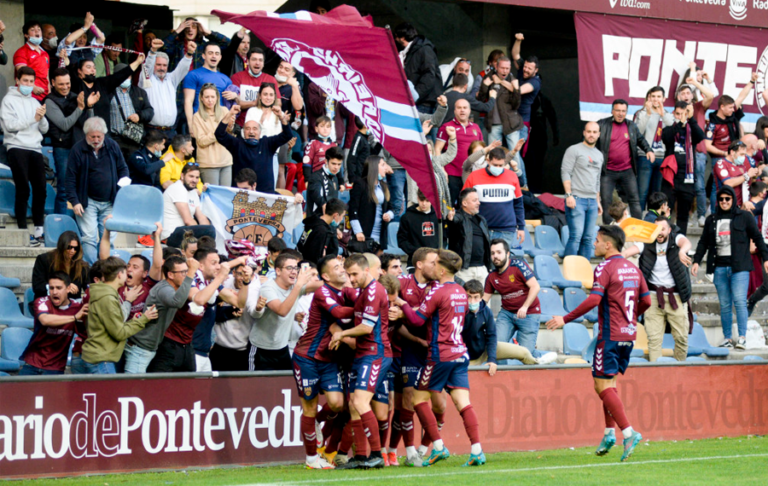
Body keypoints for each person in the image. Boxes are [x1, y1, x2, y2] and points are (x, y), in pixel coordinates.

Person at [546, 225, 650, 462]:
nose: (594, 244)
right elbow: (646, 301)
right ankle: (609, 433)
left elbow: (594, 300)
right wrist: (630, 318)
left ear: (608, 244)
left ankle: (628, 432)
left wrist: (565, 317)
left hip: (610, 334)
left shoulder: (604, 267)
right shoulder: (634, 269)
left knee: (603, 386)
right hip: (628, 334)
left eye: (597, 240)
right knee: (606, 384)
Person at [395, 249, 486, 467]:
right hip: (460, 353)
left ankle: (438, 447)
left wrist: (402, 305)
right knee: (463, 403)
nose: (433, 267)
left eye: (436, 264)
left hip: (440, 355)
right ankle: (477, 451)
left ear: (442, 269)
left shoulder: (438, 292)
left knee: (418, 400)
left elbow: (417, 321)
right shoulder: (461, 291)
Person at [329, 254, 393, 470]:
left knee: (360, 402)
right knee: (354, 405)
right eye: (348, 274)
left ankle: (376, 454)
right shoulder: (363, 292)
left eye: (355, 273)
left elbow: (366, 328)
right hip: (363, 354)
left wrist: (341, 334)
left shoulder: (374, 291)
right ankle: (361, 456)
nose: (351, 278)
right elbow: (347, 293)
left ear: (367, 271)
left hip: (375, 353)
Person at [293, 255, 357, 470]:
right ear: (326, 276)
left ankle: (316, 425)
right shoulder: (323, 292)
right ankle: (312, 458)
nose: (342, 269)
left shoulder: (345, 292)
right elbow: (339, 313)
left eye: (342, 266)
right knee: (309, 408)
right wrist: (368, 308)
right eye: (336, 267)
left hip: (329, 359)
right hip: (307, 357)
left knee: (338, 404)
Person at [692, 185, 768, 349]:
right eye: (721, 199)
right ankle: (727, 338)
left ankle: (742, 337)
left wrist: (766, 258)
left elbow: (757, 238)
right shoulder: (711, 220)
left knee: (740, 302)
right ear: (717, 201)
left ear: (733, 199)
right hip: (719, 267)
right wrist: (696, 261)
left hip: (739, 268)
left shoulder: (744, 217)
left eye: (727, 198)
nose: (724, 202)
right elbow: (703, 242)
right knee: (725, 304)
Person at [149, 249, 247, 372]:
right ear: (200, 265)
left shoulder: (210, 282)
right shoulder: (189, 279)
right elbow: (199, 299)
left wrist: (246, 282)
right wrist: (221, 276)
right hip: (174, 344)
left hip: (193, 347)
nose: (218, 267)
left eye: (219, 263)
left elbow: (239, 302)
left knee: (197, 389)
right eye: (214, 263)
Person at [64, 117, 129, 263]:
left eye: (99, 136)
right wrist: (75, 201)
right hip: (87, 202)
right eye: (92, 136)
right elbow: (70, 179)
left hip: (110, 201)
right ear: (86, 135)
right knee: (88, 238)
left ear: (104, 134)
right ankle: (92, 270)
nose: (96, 139)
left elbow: (123, 169)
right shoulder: (77, 149)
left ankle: (106, 269)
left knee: (109, 236)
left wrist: (122, 190)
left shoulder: (112, 146)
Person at [81, 256, 159, 374]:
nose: (128, 272)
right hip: (102, 360)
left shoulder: (105, 293)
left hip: (100, 357)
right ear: (119, 275)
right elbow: (119, 333)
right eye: (125, 270)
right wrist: (144, 318)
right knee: (109, 393)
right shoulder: (107, 298)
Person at [0, 66, 49, 246]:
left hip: (35, 148)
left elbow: (45, 129)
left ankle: (39, 230)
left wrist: (41, 118)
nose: (28, 84)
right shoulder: (8, 100)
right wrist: (33, 120)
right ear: (18, 81)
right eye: (25, 81)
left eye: (31, 81)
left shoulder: (35, 102)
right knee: (23, 188)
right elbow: (10, 126)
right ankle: (22, 231)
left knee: (41, 189)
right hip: (16, 146)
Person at [123, 256, 197, 373]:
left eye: (186, 271)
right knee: (132, 388)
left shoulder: (173, 287)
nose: (186, 275)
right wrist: (191, 273)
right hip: (139, 349)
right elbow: (177, 302)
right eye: (182, 272)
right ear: (171, 275)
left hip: (147, 348)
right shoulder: (164, 289)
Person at [633, 218, 693, 362]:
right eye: (656, 229)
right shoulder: (646, 242)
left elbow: (686, 243)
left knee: (681, 339)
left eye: (663, 229)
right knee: (654, 340)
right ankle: (656, 376)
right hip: (654, 297)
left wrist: (682, 252)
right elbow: (631, 251)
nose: (659, 232)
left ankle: (679, 373)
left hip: (676, 297)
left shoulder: (676, 238)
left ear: (669, 230)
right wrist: (619, 257)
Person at [464, 279, 549, 371]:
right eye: (469, 297)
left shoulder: (486, 311)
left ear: (481, 297)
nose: (472, 301)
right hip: (467, 357)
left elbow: (492, 336)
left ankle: (538, 362)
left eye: (475, 297)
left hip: (484, 350)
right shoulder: (459, 312)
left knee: (523, 352)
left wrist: (492, 359)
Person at [249, 252, 315, 371]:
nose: (294, 272)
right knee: (258, 387)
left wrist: (334, 278)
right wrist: (298, 285)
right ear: (278, 271)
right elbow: (282, 311)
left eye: (296, 268)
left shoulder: (295, 286)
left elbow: (317, 286)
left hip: (282, 348)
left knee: (287, 385)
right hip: (261, 349)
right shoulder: (268, 287)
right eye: (289, 268)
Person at [483, 239, 545, 357]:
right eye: (492, 253)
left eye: (499, 252)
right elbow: (483, 301)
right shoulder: (491, 276)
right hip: (507, 314)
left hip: (529, 313)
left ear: (507, 254)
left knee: (526, 354)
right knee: (495, 347)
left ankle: (543, 359)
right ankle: (501, 373)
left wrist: (525, 307)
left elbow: (535, 287)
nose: (495, 256)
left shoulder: (518, 265)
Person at [45, 68, 94, 215]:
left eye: (68, 83)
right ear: (53, 83)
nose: (65, 87)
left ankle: (75, 227)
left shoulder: (75, 96)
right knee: (64, 190)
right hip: (62, 149)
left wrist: (89, 107)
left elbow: (89, 122)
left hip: (79, 147)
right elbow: (65, 124)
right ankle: (61, 227)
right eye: (61, 84)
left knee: (80, 188)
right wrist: (80, 107)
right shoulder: (49, 101)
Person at [597, 99, 655, 222]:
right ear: (612, 111)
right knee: (607, 201)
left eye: (623, 111)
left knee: (634, 199)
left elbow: (641, 140)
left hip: (627, 171)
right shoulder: (602, 124)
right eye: (617, 110)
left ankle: (637, 228)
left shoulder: (631, 126)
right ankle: (608, 230)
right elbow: (589, 139)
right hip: (607, 171)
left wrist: (648, 150)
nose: (620, 113)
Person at [19, 273, 88, 375]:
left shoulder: (77, 308)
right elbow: (45, 320)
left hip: (55, 367)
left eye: (59, 288)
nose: (54, 292)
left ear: (68, 289)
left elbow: (85, 333)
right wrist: (74, 317)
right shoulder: (42, 302)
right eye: (51, 288)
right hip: (32, 363)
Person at [216, 105, 293, 193]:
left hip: (265, 194)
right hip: (242, 194)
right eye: (247, 129)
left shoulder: (267, 143)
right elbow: (219, 134)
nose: (251, 131)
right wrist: (230, 114)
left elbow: (288, 135)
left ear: (260, 132)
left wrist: (281, 117)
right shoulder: (237, 144)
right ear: (243, 132)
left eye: (254, 129)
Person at [463, 147, 526, 253]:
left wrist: (521, 227)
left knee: (501, 263)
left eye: (501, 165)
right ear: (488, 161)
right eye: (495, 165)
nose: (498, 167)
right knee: (482, 263)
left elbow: (518, 204)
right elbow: (464, 201)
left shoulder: (512, 176)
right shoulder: (474, 176)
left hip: (506, 229)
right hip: (481, 228)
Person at [477, 56, 528, 185]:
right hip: (493, 123)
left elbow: (516, 104)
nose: (505, 71)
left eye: (507, 68)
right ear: (496, 67)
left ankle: (521, 184)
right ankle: (496, 182)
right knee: (494, 154)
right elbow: (481, 100)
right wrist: (485, 85)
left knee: (515, 155)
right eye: (502, 68)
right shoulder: (488, 77)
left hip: (511, 124)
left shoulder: (513, 80)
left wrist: (516, 90)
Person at [100, 218, 164, 318]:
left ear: (144, 273)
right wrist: (106, 230)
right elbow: (104, 260)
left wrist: (156, 237)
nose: (129, 269)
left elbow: (157, 266)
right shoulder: (118, 284)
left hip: (141, 331)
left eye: (135, 267)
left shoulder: (148, 286)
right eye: (128, 266)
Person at [660, 101, 706, 235]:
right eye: (679, 114)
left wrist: (691, 119)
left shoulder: (692, 129)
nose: (681, 116)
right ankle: (665, 241)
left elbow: (700, 136)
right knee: (665, 212)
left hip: (687, 177)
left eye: (684, 114)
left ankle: (681, 243)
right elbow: (666, 138)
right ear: (674, 113)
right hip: (671, 177)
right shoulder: (669, 128)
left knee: (683, 215)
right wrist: (681, 123)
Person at [70, 54, 146, 135]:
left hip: (104, 135)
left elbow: (120, 75)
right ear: (79, 71)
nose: (93, 70)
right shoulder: (75, 86)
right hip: (83, 135)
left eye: (94, 68)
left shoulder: (102, 84)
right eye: (89, 67)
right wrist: (88, 105)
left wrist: (138, 62)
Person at [675, 71, 714, 227]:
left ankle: (701, 215)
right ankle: (684, 215)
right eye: (682, 93)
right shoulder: (676, 111)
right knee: (681, 186)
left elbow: (710, 96)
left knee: (698, 185)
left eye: (688, 93)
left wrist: (696, 83)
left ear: (692, 96)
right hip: (680, 152)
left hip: (697, 151)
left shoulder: (698, 107)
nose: (685, 95)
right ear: (678, 97)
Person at [562, 121, 604, 257]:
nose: (591, 135)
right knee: (576, 236)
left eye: (594, 132)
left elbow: (597, 180)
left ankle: (583, 273)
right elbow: (565, 172)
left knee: (588, 238)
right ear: (584, 133)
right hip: (576, 198)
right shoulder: (574, 149)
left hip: (592, 201)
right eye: (589, 132)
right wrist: (569, 195)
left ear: (599, 134)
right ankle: (569, 272)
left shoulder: (599, 155)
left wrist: (598, 201)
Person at [143, 37, 195, 139]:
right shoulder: (147, 79)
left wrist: (189, 54)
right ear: (154, 64)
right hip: (152, 131)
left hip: (170, 132)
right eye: (158, 65)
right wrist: (153, 51)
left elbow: (182, 68)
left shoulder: (171, 79)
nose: (162, 68)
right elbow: (147, 66)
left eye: (164, 65)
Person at [435, 99, 484, 204]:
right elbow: (437, 149)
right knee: (449, 205)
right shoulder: (446, 127)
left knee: (469, 206)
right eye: (459, 108)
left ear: (470, 111)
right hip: (451, 173)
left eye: (465, 108)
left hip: (470, 174)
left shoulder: (476, 128)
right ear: (454, 111)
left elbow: (481, 151)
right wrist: (442, 170)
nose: (462, 110)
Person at [210, 262, 257, 371]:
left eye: (247, 275)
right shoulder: (223, 284)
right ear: (234, 273)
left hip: (242, 351)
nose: (242, 278)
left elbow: (257, 314)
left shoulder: (255, 290)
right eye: (240, 274)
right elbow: (212, 312)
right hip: (219, 348)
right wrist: (228, 312)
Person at [635, 86, 675, 210]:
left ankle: (652, 219)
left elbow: (672, 126)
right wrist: (647, 114)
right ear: (649, 98)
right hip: (645, 156)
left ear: (664, 98)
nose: (656, 99)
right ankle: (639, 219)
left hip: (661, 157)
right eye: (653, 96)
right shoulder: (641, 113)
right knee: (642, 191)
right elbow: (638, 132)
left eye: (659, 96)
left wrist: (662, 114)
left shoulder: (667, 114)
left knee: (656, 192)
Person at [161, 163, 216, 248]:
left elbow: (201, 217)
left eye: (197, 177)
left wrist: (206, 234)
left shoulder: (193, 192)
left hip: (185, 233)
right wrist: (204, 233)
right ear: (182, 176)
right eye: (191, 176)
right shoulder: (177, 188)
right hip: (170, 235)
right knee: (209, 231)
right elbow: (188, 220)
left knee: (210, 229)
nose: (194, 180)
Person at [183, 43, 232, 138]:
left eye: (217, 53)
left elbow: (230, 103)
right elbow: (188, 101)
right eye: (210, 53)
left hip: (220, 122)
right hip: (201, 121)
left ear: (220, 57)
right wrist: (190, 124)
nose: (214, 56)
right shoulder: (193, 75)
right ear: (203, 56)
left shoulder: (226, 79)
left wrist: (235, 96)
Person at [109, 63, 155, 158]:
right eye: (123, 75)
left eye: (128, 75)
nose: (126, 78)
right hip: (115, 139)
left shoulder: (139, 92)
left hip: (134, 139)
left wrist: (139, 116)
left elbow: (150, 111)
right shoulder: (108, 92)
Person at [392, 23, 441, 113]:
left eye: (396, 36)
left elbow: (429, 75)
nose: (394, 39)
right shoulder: (410, 51)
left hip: (424, 104)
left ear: (402, 37)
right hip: (416, 103)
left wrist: (415, 96)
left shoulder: (424, 49)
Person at [192, 84, 234, 186]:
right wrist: (220, 132)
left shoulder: (224, 110)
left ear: (217, 98)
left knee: (225, 195)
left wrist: (230, 126)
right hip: (208, 163)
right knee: (213, 196)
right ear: (201, 98)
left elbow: (229, 134)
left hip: (226, 160)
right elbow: (202, 141)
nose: (210, 100)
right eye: (207, 97)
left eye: (212, 97)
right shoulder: (197, 117)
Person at [31, 231, 90, 303]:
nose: (72, 251)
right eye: (69, 247)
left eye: (75, 248)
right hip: (48, 302)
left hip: (72, 305)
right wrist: (64, 287)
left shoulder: (82, 266)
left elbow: (89, 288)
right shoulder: (44, 260)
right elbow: (38, 286)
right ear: (62, 246)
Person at [447, 188, 491, 283]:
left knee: (483, 298)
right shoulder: (459, 217)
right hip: (464, 270)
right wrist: (450, 219)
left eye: (478, 200)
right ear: (464, 203)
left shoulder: (481, 220)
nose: (478, 203)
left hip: (482, 268)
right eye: (474, 200)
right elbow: (454, 221)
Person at [349, 156, 393, 250]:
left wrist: (389, 215)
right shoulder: (360, 184)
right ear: (374, 167)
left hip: (380, 237)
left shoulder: (384, 186)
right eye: (383, 165)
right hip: (364, 236)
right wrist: (358, 231)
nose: (386, 167)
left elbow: (391, 208)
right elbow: (353, 209)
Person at [230, 47, 278, 128]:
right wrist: (255, 103)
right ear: (248, 61)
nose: (257, 63)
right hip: (241, 125)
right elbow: (235, 104)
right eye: (254, 59)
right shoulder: (236, 77)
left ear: (263, 63)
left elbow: (278, 103)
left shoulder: (271, 79)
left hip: (264, 126)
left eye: (260, 60)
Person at [297, 198, 347, 267]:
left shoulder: (314, 221)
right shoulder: (321, 231)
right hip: (309, 267)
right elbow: (314, 258)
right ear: (336, 215)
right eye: (342, 216)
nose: (342, 219)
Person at [398, 190, 440, 265]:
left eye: (427, 200)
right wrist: (417, 252)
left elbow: (444, 237)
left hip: (435, 261)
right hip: (415, 261)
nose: (424, 203)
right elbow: (402, 240)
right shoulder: (407, 217)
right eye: (421, 200)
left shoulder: (438, 216)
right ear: (417, 198)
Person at [713, 141, 758, 209]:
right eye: (741, 154)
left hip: (740, 206)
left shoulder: (741, 166)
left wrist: (754, 175)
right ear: (732, 152)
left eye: (744, 154)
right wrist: (747, 175)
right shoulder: (721, 164)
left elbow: (746, 184)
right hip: (726, 205)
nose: (744, 157)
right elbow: (728, 183)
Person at [13, 20, 50, 102]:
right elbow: (22, 73)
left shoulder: (45, 54)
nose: (37, 31)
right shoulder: (21, 52)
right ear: (26, 35)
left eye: (39, 29)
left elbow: (47, 76)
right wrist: (33, 88)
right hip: (28, 95)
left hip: (45, 97)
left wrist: (49, 94)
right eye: (32, 30)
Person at [301, 116, 338, 191]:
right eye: (322, 126)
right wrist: (307, 180)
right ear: (316, 129)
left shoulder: (334, 145)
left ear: (331, 129)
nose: (325, 129)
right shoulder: (312, 144)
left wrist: (341, 182)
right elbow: (306, 164)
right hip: (317, 180)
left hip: (332, 180)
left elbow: (338, 164)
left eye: (328, 127)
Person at [306, 146, 343, 216]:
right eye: (333, 163)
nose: (336, 167)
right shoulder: (315, 177)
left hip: (330, 222)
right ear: (326, 161)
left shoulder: (335, 178)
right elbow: (318, 198)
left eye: (339, 164)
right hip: (316, 222)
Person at [346, 117, 370, 187]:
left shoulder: (365, 138)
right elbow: (351, 159)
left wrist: (379, 144)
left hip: (366, 177)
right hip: (358, 179)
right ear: (365, 125)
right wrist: (353, 179)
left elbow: (370, 155)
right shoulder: (358, 138)